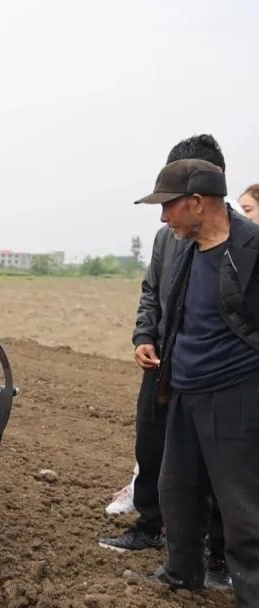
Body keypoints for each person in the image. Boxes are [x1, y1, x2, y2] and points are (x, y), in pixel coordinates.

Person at [100, 135, 230, 590]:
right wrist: (143, 336)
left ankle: (220, 556)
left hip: (211, 377)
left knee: (214, 468)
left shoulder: (234, 245)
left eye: (173, 199)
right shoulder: (165, 240)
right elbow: (151, 293)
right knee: (154, 450)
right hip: (163, 369)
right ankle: (149, 527)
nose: (165, 212)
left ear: (204, 195)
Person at [134, 158, 259, 604]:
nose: (164, 217)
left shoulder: (251, 249)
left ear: (197, 203)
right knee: (178, 491)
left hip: (235, 393)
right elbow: (168, 308)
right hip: (183, 390)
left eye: (169, 207)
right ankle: (182, 573)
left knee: (242, 508)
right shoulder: (181, 247)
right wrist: (149, 339)